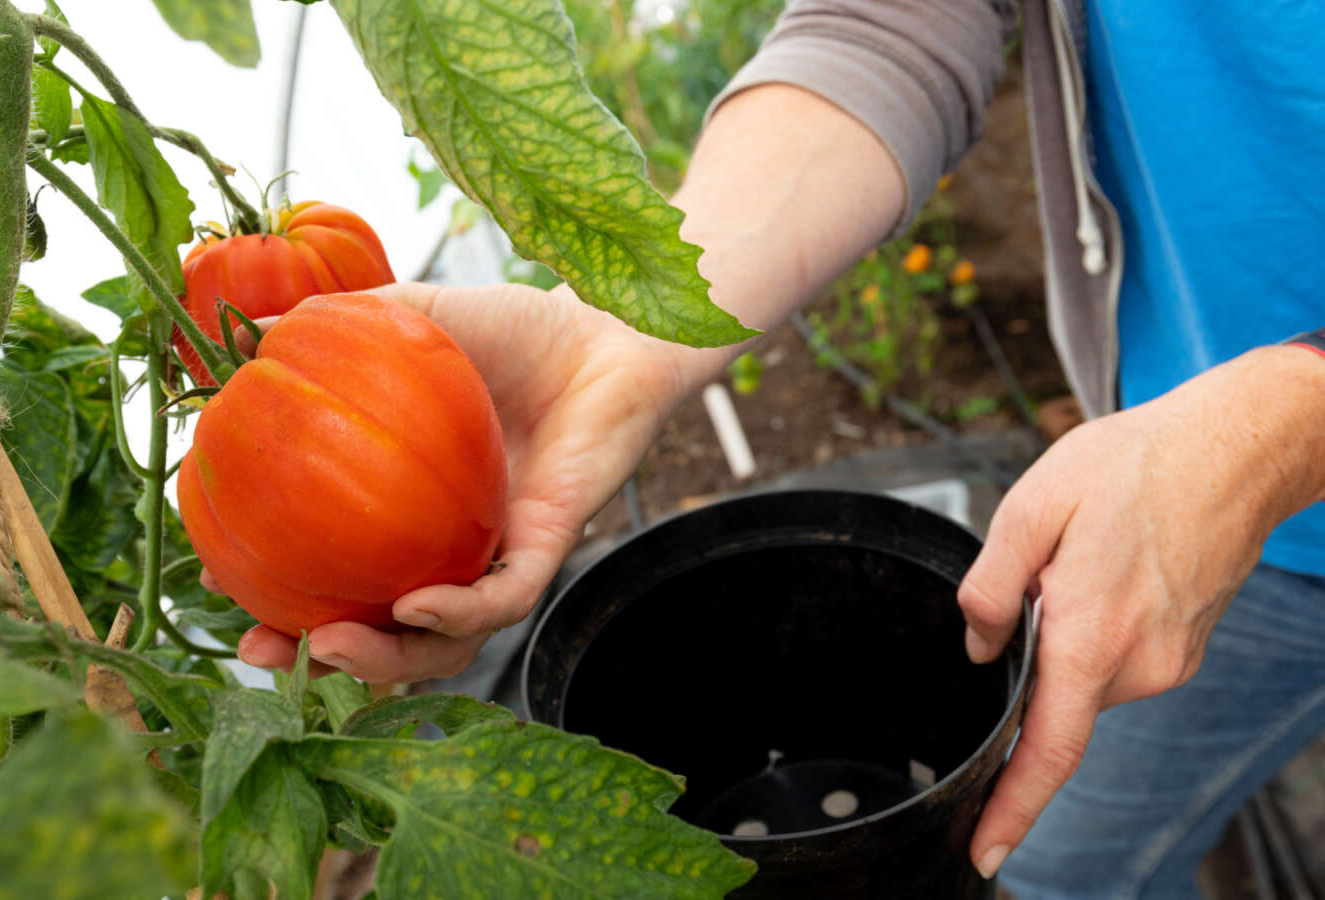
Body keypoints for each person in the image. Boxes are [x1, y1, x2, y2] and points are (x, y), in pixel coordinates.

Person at [220, 1, 1325, 895]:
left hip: (1265, 521)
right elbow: (897, 19)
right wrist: (629, 330)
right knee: (1054, 843)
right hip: (1160, 439)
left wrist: (1274, 433)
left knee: (1069, 853)